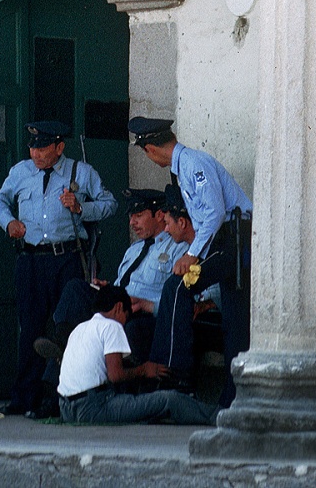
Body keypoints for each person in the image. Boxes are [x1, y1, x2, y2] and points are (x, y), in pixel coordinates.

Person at [0, 118, 117, 417]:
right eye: (33, 148)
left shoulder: (81, 172)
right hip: (32, 260)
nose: (36, 154)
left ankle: (56, 398)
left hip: (67, 258)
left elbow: (110, 204)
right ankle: (24, 397)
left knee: (65, 329)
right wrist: (8, 222)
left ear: (59, 147)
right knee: (30, 329)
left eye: (43, 148)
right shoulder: (20, 172)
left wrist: (80, 208)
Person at [130, 115, 252, 410]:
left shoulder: (193, 165)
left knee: (178, 286)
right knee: (233, 324)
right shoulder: (184, 167)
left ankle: (175, 372)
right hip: (223, 243)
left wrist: (191, 255)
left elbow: (213, 214)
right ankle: (230, 397)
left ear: (150, 149)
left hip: (232, 241)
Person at [45, 188, 189, 366]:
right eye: (130, 217)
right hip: (117, 304)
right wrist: (108, 289)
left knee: (127, 329)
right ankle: (60, 344)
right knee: (76, 288)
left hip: (141, 312)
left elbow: (180, 298)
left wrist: (147, 304)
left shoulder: (178, 248)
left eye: (138, 215)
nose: (132, 223)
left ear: (159, 215)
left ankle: (58, 366)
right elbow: (123, 284)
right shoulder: (133, 250)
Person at [56, 286, 216, 426]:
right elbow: (116, 375)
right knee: (169, 399)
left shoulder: (80, 328)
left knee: (141, 406)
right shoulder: (111, 325)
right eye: (126, 316)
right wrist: (144, 370)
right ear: (119, 307)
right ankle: (220, 416)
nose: (125, 323)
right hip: (92, 408)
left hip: (66, 409)